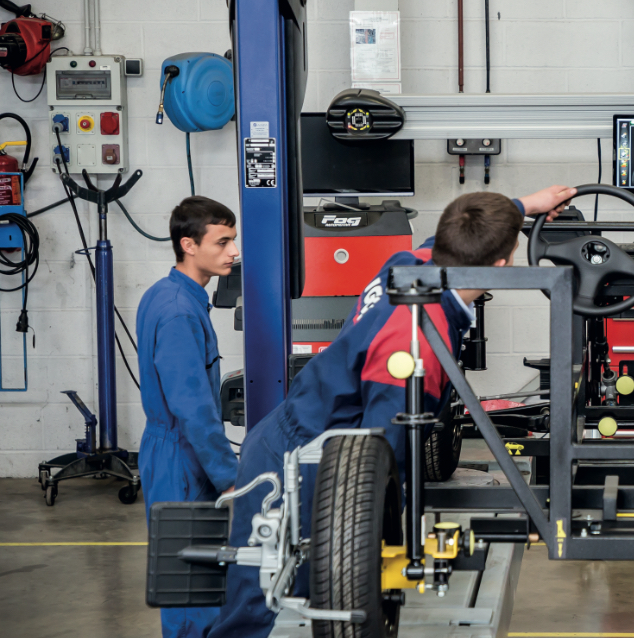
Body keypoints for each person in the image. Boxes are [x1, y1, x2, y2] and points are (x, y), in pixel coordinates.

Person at [207, 185, 575, 638]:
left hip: (297, 432)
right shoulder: (415, 347)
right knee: (273, 609)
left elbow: (461, 237)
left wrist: (524, 206)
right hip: (306, 463)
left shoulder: (411, 264)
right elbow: (378, 460)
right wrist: (384, 541)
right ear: (500, 268)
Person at [137, 196, 241, 638]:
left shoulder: (167, 294)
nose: (233, 251)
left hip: (173, 447)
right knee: (190, 590)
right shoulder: (179, 311)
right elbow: (192, 406)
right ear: (189, 245)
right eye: (222, 242)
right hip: (180, 454)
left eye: (232, 240)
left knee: (197, 578)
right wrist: (229, 475)